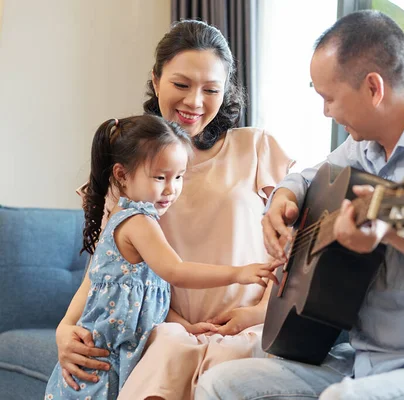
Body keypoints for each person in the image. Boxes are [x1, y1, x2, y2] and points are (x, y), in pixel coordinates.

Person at [194, 10, 404, 400]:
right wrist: (283, 200)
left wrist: (390, 232)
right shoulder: (362, 148)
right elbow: (308, 177)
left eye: (330, 98)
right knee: (219, 384)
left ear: (374, 88)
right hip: (362, 362)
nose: (327, 112)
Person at [55, 21, 293, 400]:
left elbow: (292, 247)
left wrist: (259, 312)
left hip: (250, 327)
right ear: (156, 78)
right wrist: (65, 328)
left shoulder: (257, 148)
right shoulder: (132, 170)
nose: (195, 102)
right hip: (167, 331)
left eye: (211, 89)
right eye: (181, 85)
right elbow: (106, 265)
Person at [44, 115, 279, 400]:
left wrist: (185, 326)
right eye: (160, 178)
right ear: (121, 175)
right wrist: (237, 273)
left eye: (179, 177)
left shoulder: (136, 218)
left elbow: (147, 296)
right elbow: (175, 271)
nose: (171, 189)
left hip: (119, 353)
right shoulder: (138, 223)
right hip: (104, 360)